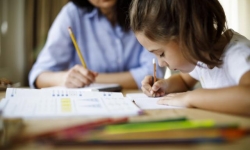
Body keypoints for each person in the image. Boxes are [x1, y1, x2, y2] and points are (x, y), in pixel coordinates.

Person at [130, 0, 250, 116]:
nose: (160, 63)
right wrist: (163, 85)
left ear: (188, 33)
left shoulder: (238, 54)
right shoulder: (201, 56)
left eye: (161, 53)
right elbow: (183, 81)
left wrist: (191, 98)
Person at [28, 0, 165, 89]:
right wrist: (64, 78)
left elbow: (153, 73)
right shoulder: (71, 14)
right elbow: (38, 76)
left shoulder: (145, 8)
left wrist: (90, 81)